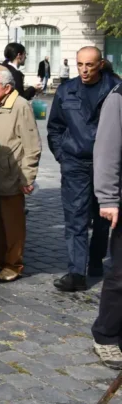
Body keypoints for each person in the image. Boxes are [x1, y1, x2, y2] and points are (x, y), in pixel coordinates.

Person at [48, 47, 121, 291]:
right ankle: (76, 272)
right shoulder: (66, 90)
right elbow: (55, 127)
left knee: (102, 217)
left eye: (89, 65)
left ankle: (97, 261)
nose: (84, 70)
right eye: (80, 64)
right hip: (75, 163)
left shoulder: (115, 89)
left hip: (107, 165)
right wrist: (63, 155)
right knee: (75, 217)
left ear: (100, 64)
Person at [0, 71, 41, 282]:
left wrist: (27, 177)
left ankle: (14, 264)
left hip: (11, 177)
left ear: (7, 88)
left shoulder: (20, 106)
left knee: (13, 225)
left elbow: (32, 145)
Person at [92, 81, 122, 367]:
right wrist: (108, 198)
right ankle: (106, 335)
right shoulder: (119, 97)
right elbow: (107, 150)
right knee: (120, 275)